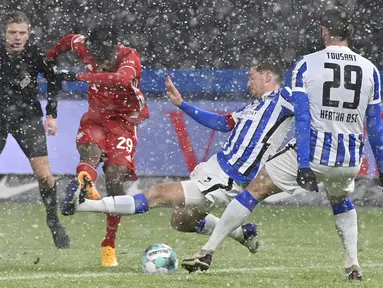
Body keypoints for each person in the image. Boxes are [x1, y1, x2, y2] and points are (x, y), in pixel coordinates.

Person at [181, 7, 383, 281]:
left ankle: (207, 251)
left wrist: (303, 164)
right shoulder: (370, 69)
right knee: (341, 199)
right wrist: (381, 167)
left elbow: (302, 115)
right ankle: (353, 265)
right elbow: (375, 125)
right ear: (351, 33)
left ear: (324, 31)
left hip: (313, 153)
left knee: (255, 190)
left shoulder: (307, 64)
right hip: (348, 159)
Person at [60, 60, 295, 254]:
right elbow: (223, 123)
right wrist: (182, 104)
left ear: (267, 77)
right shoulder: (253, 106)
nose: (248, 82)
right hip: (215, 167)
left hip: (229, 178)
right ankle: (242, 233)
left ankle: (82, 205)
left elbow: (310, 106)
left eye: (251, 77)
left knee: (158, 194)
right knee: (180, 222)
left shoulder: (286, 98)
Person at [47, 23, 149, 267]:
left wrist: (77, 76)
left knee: (115, 179)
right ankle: (83, 184)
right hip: (97, 116)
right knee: (90, 151)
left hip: (125, 120)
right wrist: (48, 59)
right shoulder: (83, 46)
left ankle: (108, 244)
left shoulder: (129, 56)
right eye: (97, 59)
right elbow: (68, 39)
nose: (101, 63)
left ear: (115, 49)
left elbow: (122, 80)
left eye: (106, 58)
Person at [0, 11, 69, 248]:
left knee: (43, 175)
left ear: (28, 34)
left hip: (26, 117)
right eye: (12, 32)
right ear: (4, 33)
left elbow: (54, 79)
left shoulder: (35, 54)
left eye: (22, 33)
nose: (17, 37)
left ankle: (53, 220)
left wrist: (51, 114)